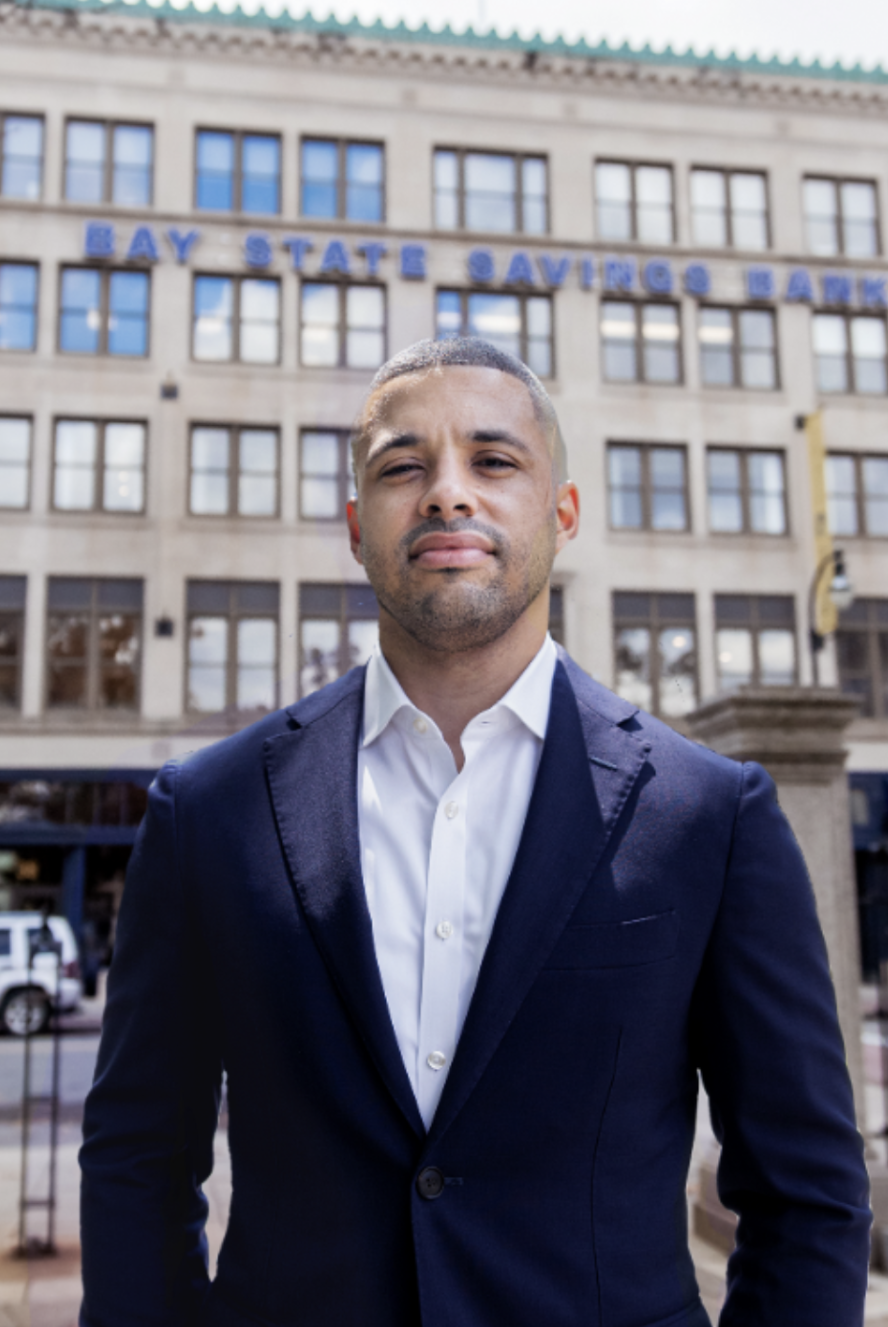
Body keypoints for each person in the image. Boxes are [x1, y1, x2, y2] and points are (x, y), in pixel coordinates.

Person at [80, 338, 871, 1327]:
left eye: (494, 462)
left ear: (563, 512)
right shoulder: (205, 813)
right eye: (404, 466)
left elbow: (808, 1193)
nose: (448, 493)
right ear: (357, 525)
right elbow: (136, 1161)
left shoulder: (710, 816)